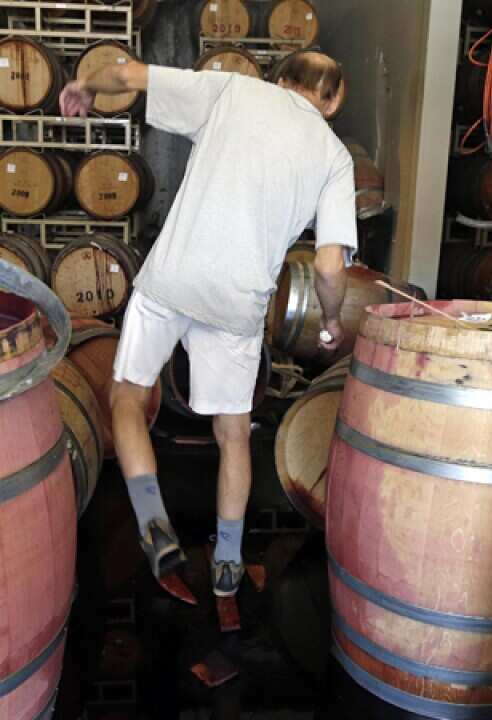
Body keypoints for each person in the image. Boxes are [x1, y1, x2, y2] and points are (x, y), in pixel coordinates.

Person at [60, 52, 356, 598]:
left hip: (172, 277)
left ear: (279, 80)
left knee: (127, 399)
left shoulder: (233, 92)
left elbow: (125, 74)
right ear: (334, 100)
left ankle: (154, 526)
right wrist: (332, 321)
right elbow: (330, 265)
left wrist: (83, 84)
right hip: (238, 303)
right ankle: (226, 564)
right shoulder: (335, 157)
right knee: (233, 435)